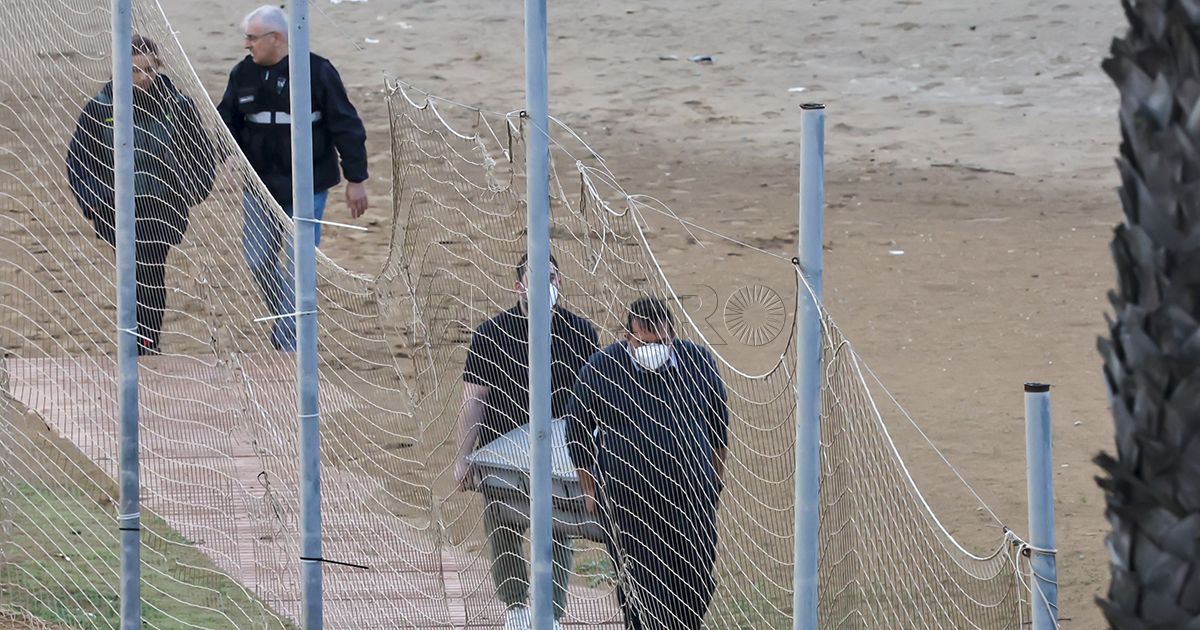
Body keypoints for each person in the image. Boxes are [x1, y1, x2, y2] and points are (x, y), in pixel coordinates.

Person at [565, 296, 729, 630]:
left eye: (660, 340)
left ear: (672, 335)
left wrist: (714, 480)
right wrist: (589, 489)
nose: (653, 346)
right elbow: (576, 431)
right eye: (645, 340)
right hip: (630, 501)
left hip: (690, 497)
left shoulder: (698, 362)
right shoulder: (600, 368)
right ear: (629, 336)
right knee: (643, 589)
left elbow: (718, 426)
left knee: (696, 578)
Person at [456, 253, 599, 630]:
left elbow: (595, 399)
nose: (545, 285)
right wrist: (464, 457)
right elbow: (474, 398)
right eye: (536, 278)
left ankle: (551, 612)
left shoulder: (582, 333)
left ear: (560, 282)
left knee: (558, 527)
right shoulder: (491, 335)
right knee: (502, 525)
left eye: (551, 277)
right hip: (502, 449)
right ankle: (517, 606)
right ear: (519, 285)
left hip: (560, 451)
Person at [216, 5, 369, 351]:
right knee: (258, 261)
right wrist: (224, 156)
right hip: (259, 187)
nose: (246, 45)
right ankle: (290, 322)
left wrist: (356, 178)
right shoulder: (242, 74)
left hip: (308, 186)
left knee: (301, 264)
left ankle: (289, 344)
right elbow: (228, 120)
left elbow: (346, 125)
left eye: (252, 38)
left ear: (277, 39)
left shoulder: (317, 71)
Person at [66, 35, 216, 356]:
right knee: (132, 272)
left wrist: (191, 192)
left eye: (149, 69)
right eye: (135, 70)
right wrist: (94, 202)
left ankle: (146, 343)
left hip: (162, 206)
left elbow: (200, 151)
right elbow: (79, 160)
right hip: (117, 208)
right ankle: (140, 343)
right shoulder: (100, 107)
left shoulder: (178, 105)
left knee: (150, 270)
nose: (143, 77)